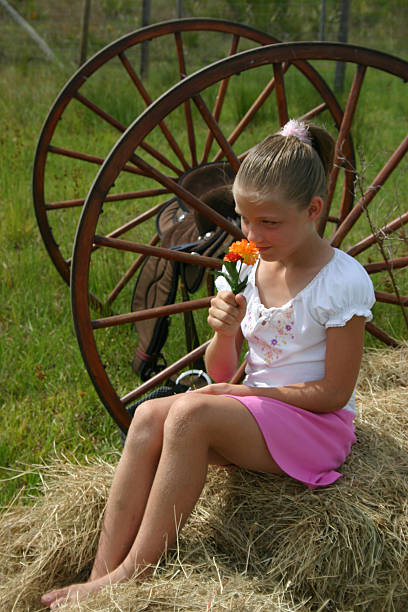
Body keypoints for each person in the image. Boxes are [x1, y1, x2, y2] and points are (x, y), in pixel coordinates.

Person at [41, 120, 375, 608]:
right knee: (151, 414)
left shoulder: (341, 281)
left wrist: (247, 394)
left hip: (312, 427)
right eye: (244, 219)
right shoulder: (244, 265)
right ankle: (100, 573)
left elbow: (334, 394)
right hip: (255, 416)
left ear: (314, 209)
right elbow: (222, 371)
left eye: (269, 223)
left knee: (192, 413)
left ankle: (131, 576)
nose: (251, 234)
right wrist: (223, 331)